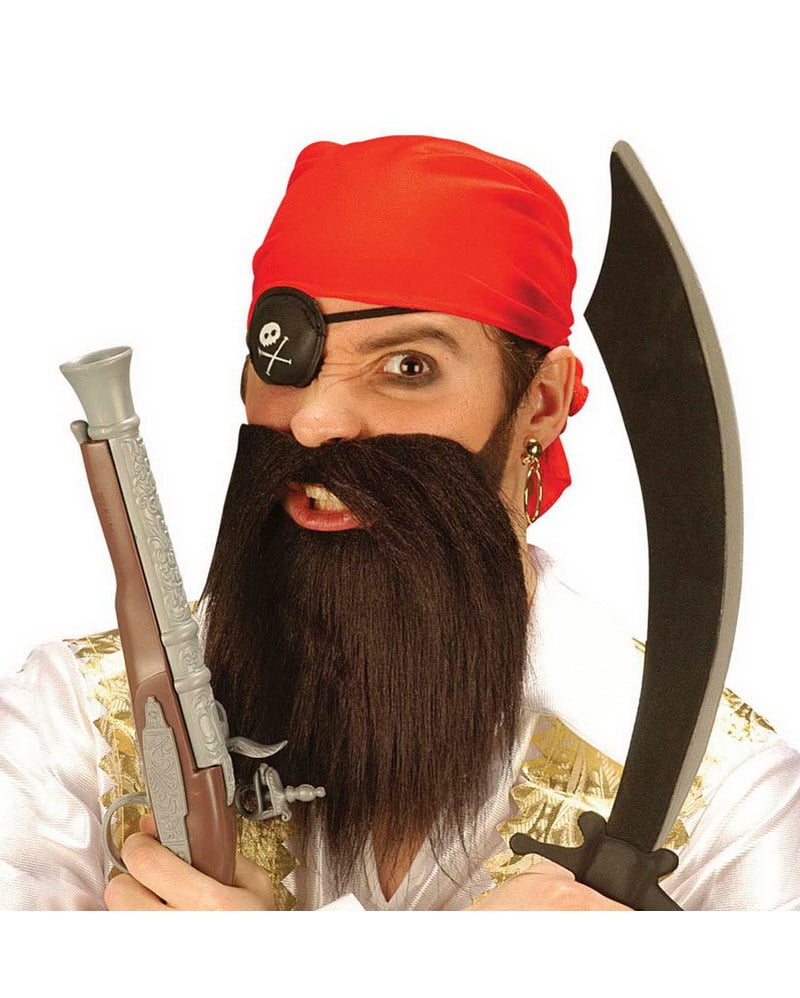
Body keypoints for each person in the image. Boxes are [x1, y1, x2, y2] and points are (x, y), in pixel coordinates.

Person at [2, 135, 799, 911]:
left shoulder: (728, 805)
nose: (313, 421)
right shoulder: (72, 731)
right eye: (285, 356)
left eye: (408, 367)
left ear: (542, 403)